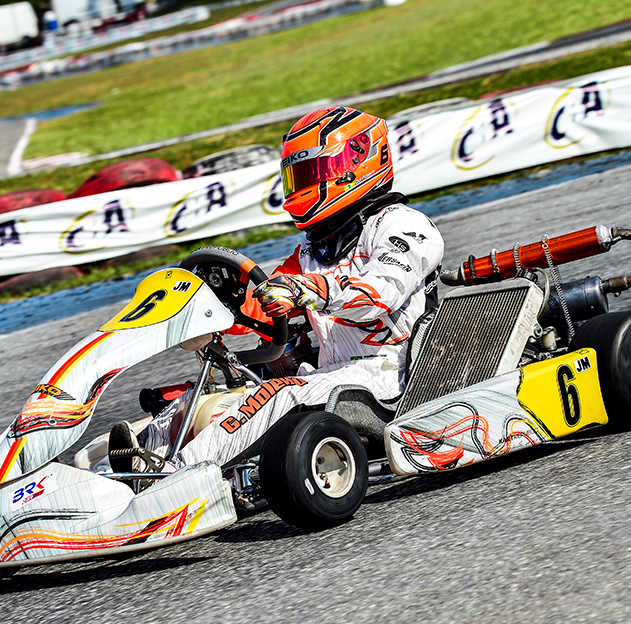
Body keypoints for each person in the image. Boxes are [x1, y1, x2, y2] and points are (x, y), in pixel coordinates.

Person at [107, 106, 445, 473]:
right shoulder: (314, 251)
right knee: (210, 397)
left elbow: (379, 295)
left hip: (391, 380)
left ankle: (173, 476)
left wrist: (305, 290)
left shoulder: (405, 228)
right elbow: (264, 305)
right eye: (298, 177)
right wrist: (219, 305)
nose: (302, 186)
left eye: (314, 173)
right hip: (329, 375)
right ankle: (115, 470)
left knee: (276, 395)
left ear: (358, 160)